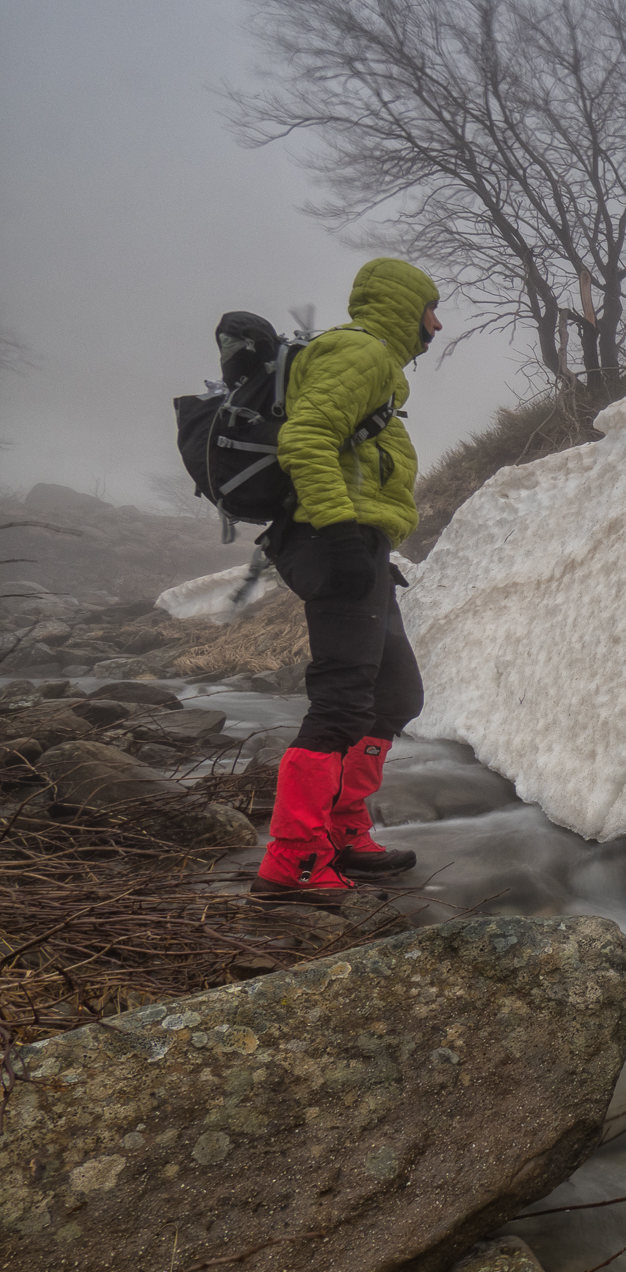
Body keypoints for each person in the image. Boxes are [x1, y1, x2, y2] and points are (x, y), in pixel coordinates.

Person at [252, 257, 437, 903]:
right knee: (342, 703)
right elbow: (304, 439)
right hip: (338, 541)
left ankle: (340, 830)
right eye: (429, 308)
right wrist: (337, 534)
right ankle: (294, 859)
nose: (436, 323)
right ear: (402, 307)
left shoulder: (377, 368)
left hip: (360, 544)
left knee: (395, 695)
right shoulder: (360, 355)